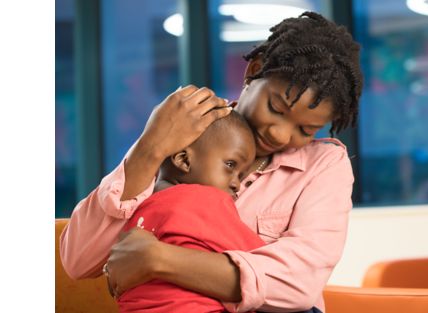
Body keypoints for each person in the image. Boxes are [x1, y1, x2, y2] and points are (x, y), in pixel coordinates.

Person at [60, 11, 363, 312]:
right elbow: (78, 261)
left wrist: (158, 259)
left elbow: (297, 286)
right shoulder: (187, 131)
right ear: (252, 72)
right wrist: (149, 149)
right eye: (276, 107)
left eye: (305, 130)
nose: (280, 134)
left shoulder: (323, 165)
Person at [116, 110, 266, 312]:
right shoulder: (207, 200)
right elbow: (260, 261)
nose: (236, 184)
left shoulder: (137, 204)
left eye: (241, 174)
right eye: (230, 165)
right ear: (184, 160)